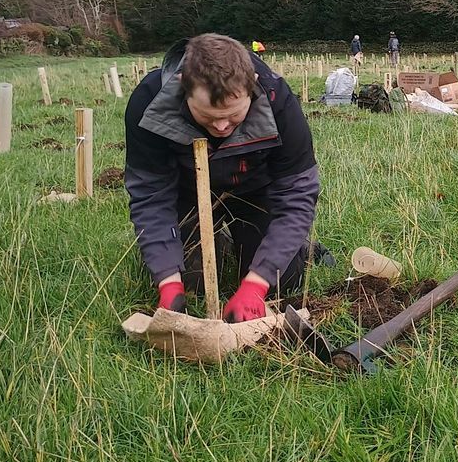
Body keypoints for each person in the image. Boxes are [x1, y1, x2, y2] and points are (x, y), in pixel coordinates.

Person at [124, 33, 325, 323]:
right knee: (191, 282)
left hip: (255, 192)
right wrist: (168, 282)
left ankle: (297, 247)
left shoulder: (278, 101)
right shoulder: (148, 103)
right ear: (183, 86)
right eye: (207, 116)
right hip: (189, 195)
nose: (220, 126)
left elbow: (297, 194)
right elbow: (150, 196)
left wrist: (257, 283)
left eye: (233, 115)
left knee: (283, 281)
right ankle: (217, 246)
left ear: (252, 84)